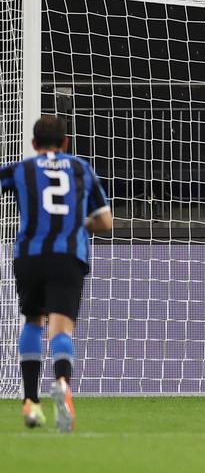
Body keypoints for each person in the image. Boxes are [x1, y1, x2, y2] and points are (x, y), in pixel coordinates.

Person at [1, 115, 113, 432]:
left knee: (33, 320)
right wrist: (79, 224)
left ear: (34, 144)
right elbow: (105, 223)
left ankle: (31, 402)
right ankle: (62, 382)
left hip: (30, 256)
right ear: (65, 143)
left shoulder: (20, 169)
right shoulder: (81, 167)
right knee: (61, 328)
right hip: (68, 255)